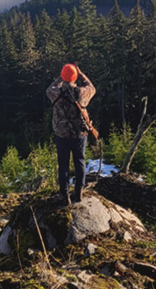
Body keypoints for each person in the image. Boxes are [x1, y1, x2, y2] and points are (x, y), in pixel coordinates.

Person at [46, 63, 96, 205]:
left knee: (63, 164)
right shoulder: (81, 93)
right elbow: (92, 88)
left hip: (61, 134)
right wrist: (81, 74)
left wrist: (60, 78)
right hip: (79, 133)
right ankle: (79, 192)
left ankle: (64, 195)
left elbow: (49, 89)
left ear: (62, 76)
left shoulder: (55, 92)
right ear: (75, 77)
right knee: (79, 161)